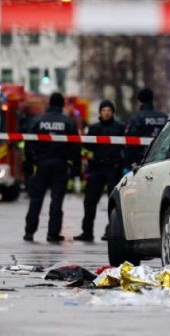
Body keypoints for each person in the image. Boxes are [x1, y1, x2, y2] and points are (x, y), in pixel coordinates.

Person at [24, 92, 80, 242]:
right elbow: (75, 146)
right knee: (56, 200)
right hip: (60, 165)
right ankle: (52, 233)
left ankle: (29, 232)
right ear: (62, 104)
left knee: (36, 199)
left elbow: (29, 143)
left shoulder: (38, 121)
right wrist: (76, 166)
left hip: (41, 164)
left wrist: (29, 163)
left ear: (49, 104)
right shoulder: (68, 122)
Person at [74, 100, 126, 242]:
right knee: (90, 201)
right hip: (97, 168)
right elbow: (87, 147)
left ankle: (112, 231)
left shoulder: (120, 128)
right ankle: (87, 232)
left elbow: (126, 147)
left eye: (109, 110)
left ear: (113, 112)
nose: (106, 112)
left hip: (113, 168)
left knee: (114, 202)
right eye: (104, 110)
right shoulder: (94, 128)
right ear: (100, 112)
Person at [125, 88, 168, 167]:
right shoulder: (164, 117)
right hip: (162, 157)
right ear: (152, 99)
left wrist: (130, 162)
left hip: (142, 160)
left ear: (139, 101)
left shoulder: (137, 118)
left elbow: (131, 141)